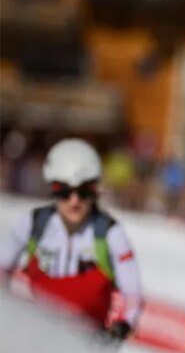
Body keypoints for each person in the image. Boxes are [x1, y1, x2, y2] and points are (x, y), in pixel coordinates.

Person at [1, 138, 143, 342]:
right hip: (34, 341)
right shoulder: (34, 224)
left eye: (84, 191)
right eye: (64, 191)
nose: (74, 201)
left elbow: (133, 293)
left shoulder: (109, 233)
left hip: (87, 346)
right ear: (53, 189)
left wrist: (125, 323)